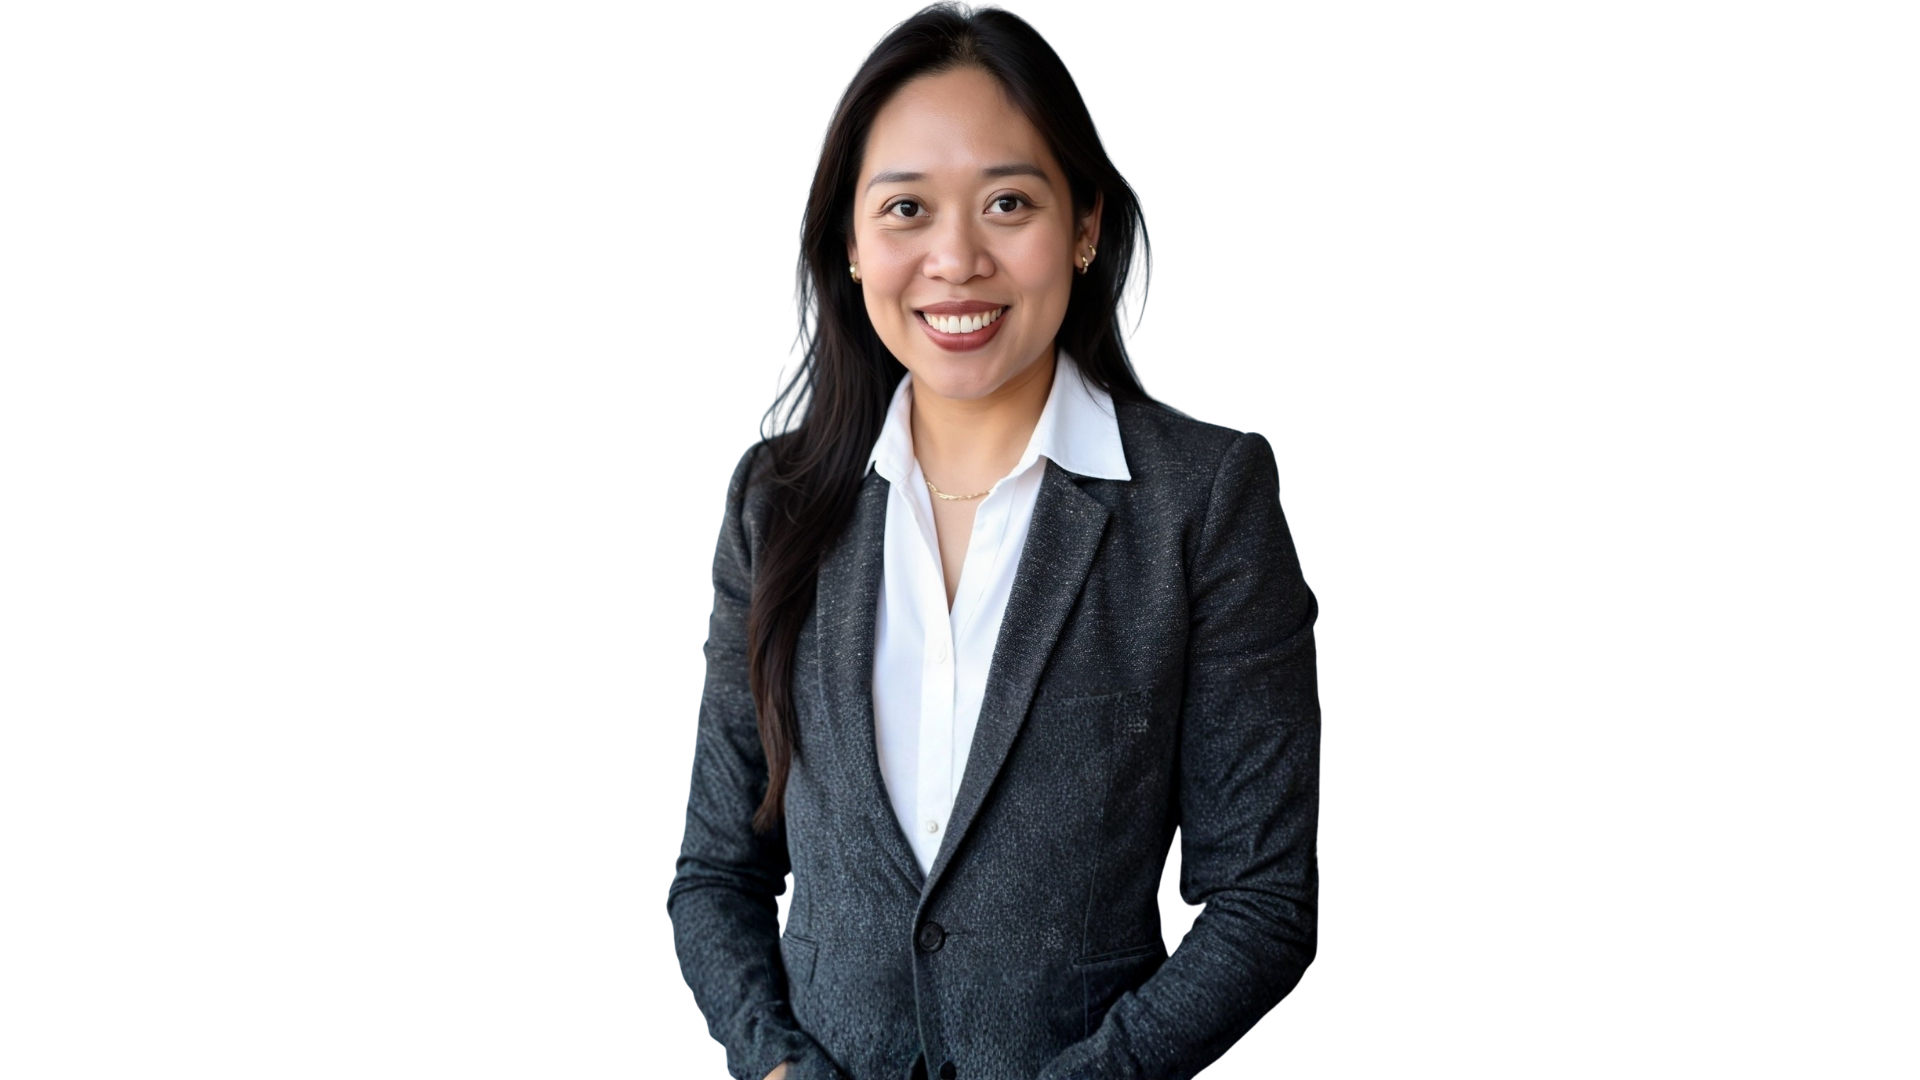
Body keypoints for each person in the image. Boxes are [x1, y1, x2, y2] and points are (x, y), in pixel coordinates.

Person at [666, 4, 1320, 1077]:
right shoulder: (774, 504)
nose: (956, 259)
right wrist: (774, 1062)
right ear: (849, 241)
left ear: (1086, 224)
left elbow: (1262, 902)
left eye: (1008, 202)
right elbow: (714, 874)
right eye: (907, 209)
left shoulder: (1205, 500)